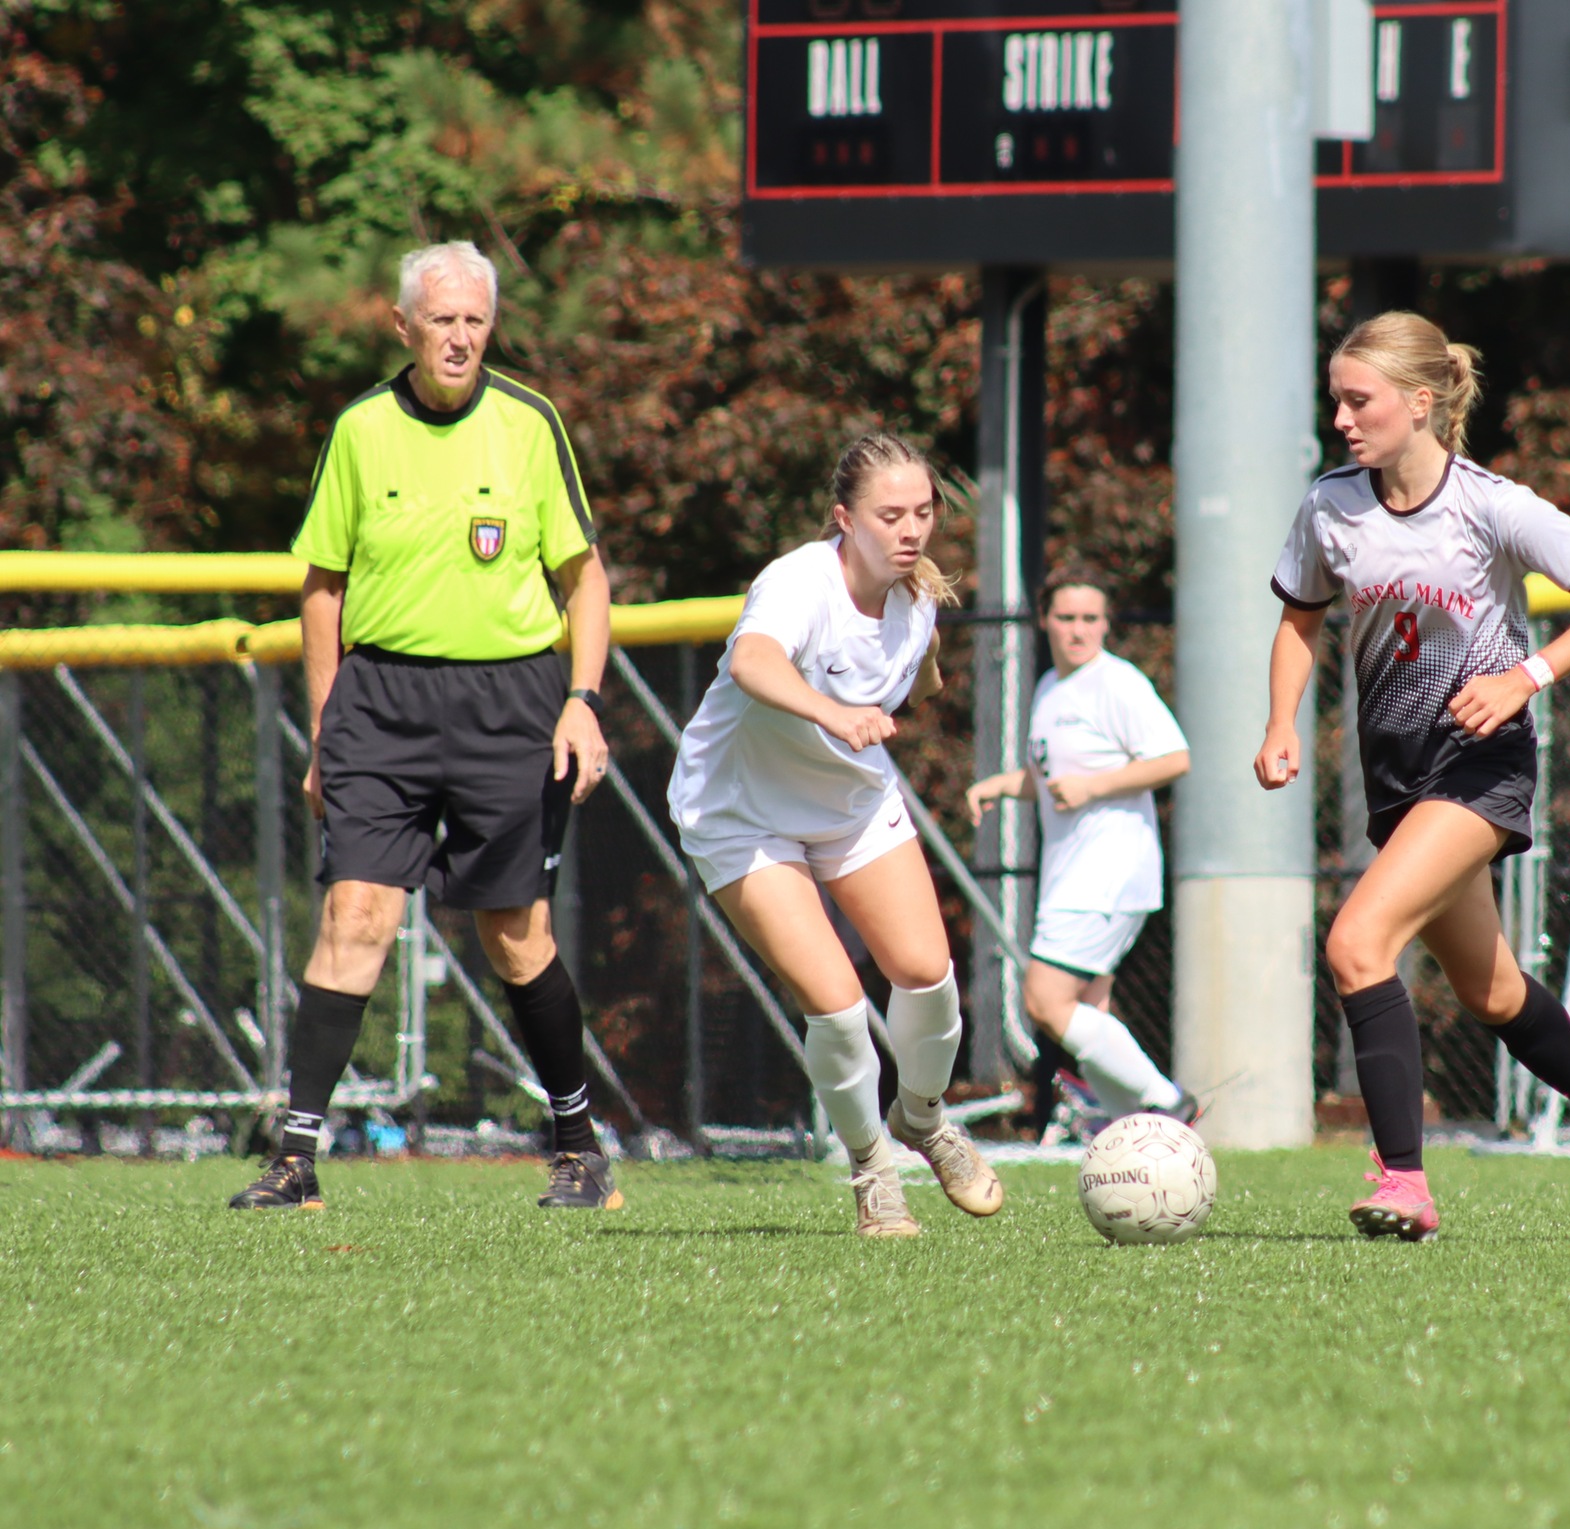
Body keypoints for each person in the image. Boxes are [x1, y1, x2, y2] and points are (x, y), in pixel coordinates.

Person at [1256, 310, 1570, 1241]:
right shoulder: (1330, 505)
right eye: (1337, 401)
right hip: (1396, 779)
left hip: (1480, 768)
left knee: (1358, 942)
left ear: (1421, 402)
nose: (1344, 419)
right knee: (1491, 992)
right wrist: (1280, 722)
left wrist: (1524, 677)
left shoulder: (1490, 504)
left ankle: (1402, 1177)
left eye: (1360, 401)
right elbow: (1298, 621)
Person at [230, 240, 620, 1212]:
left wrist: (583, 700)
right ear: (401, 326)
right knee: (355, 912)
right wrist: (327, 728)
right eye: (440, 319)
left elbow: (585, 579)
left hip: (511, 702)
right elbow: (322, 587)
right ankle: (296, 1157)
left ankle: (577, 1146)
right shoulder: (360, 429)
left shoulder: (529, 423)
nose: (459, 336)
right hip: (381, 704)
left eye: (474, 320)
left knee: (512, 933)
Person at [667, 432, 1003, 1239]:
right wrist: (834, 712)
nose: (910, 529)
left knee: (926, 972)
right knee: (841, 1008)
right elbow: (753, 662)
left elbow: (918, 671)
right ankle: (872, 1170)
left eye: (922, 512)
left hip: (847, 803)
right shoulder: (798, 581)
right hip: (740, 813)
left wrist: (905, 687)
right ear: (842, 519)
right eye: (890, 515)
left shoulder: (916, 598)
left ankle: (922, 1119)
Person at [966, 571, 1197, 1126]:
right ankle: (1128, 1136)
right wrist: (1004, 784)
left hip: (1109, 870)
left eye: (1090, 619)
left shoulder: (1117, 683)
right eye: (1066, 618)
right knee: (1091, 1010)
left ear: (1106, 624)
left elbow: (1174, 758)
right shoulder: (1050, 687)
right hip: (1073, 874)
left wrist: (1093, 787)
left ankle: (1168, 1102)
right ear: (1045, 620)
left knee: (1044, 1000)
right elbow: (1054, 776)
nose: (1078, 630)